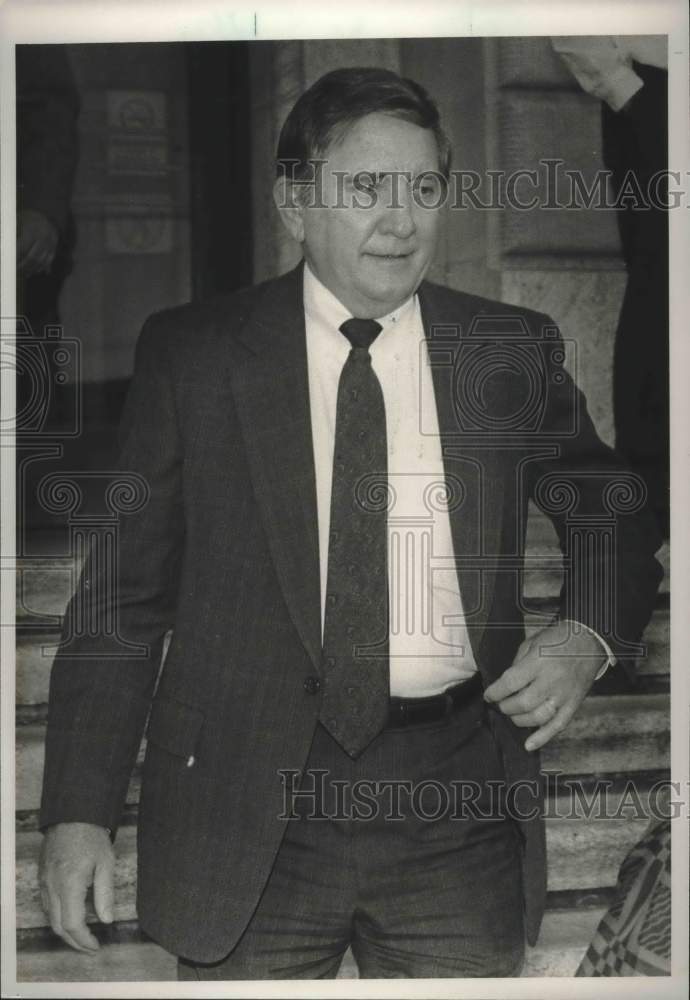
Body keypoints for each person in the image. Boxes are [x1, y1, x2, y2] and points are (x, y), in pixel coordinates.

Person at [38, 67, 663, 980]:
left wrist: (584, 636)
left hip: (455, 810)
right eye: (367, 188)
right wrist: (77, 811)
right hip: (248, 812)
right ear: (295, 203)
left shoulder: (505, 350)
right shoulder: (196, 356)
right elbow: (122, 600)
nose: (401, 220)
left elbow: (614, 509)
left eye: (422, 190)